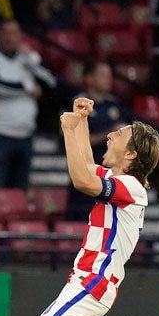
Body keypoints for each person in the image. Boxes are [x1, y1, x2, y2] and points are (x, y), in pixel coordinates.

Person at [26, 97, 159, 316]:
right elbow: (87, 164)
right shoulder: (119, 180)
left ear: (131, 154)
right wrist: (81, 120)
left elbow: (81, 180)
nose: (110, 135)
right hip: (90, 279)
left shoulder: (131, 186)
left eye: (119, 134)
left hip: (94, 280)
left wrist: (67, 130)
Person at [0, 19, 57, 191]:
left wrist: (32, 60)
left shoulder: (26, 60)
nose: (10, 38)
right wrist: (27, 88)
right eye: (6, 32)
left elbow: (50, 83)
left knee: (19, 192)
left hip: (25, 136)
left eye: (14, 33)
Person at [66, 61, 127, 220]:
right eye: (103, 75)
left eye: (110, 75)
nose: (108, 79)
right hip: (85, 171)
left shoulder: (114, 104)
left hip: (110, 173)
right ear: (89, 78)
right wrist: (110, 133)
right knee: (82, 220)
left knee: (106, 219)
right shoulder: (78, 104)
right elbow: (77, 140)